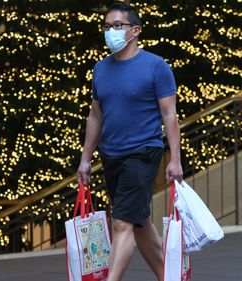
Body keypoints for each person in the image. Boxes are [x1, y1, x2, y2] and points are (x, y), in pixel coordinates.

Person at [76, 2, 183, 281]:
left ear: (135, 31)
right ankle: (169, 276)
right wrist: (85, 158)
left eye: (117, 26)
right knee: (139, 221)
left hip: (143, 152)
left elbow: (169, 114)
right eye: (107, 26)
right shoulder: (101, 69)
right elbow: (95, 115)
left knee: (122, 221)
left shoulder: (156, 66)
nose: (110, 31)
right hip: (111, 155)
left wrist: (175, 159)